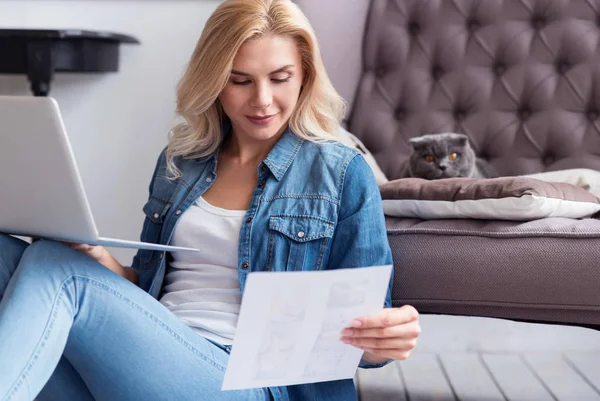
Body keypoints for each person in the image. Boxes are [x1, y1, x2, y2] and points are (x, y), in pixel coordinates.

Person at [0, 0, 420, 400]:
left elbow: (368, 328)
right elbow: (149, 290)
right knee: (12, 254)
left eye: (279, 78)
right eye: (240, 81)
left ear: (305, 76)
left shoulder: (341, 172)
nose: (262, 100)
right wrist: (99, 259)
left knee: (60, 273)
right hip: (155, 356)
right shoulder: (182, 161)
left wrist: (383, 341)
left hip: (249, 383)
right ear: (215, 80)